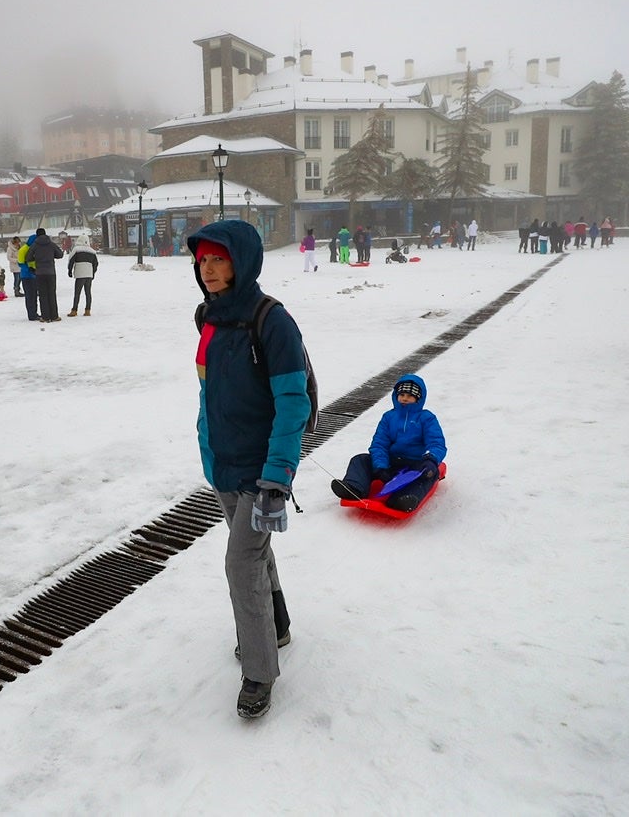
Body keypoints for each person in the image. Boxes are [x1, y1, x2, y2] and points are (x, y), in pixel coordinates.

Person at [189, 219, 310, 719]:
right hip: (222, 463)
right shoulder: (210, 318)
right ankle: (275, 625)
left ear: (242, 261)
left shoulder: (272, 321)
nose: (208, 268)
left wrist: (277, 476)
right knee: (255, 553)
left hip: (261, 470)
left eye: (219, 258)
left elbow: (293, 402)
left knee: (241, 563)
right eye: (203, 259)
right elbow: (211, 390)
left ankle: (260, 671)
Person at [331, 375, 446, 512]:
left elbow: (436, 443)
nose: (404, 398)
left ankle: (402, 499)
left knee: (430, 474)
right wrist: (381, 466)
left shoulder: (427, 418)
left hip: (415, 465)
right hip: (391, 462)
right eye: (402, 394)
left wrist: (430, 459)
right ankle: (354, 487)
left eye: (410, 396)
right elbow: (379, 444)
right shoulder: (389, 417)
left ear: (418, 398)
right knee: (361, 460)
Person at [30, 228, 64, 322]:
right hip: (51, 272)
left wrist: (36, 259)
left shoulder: (34, 245)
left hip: (39, 273)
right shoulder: (51, 244)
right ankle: (54, 316)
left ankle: (45, 316)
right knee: (52, 294)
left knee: (43, 295)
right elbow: (60, 255)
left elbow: (28, 257)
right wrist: (51, 255)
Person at [66, 236, 99, 316]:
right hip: (89, 275)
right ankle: (87, 310)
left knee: (77, 293)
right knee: (88, 293)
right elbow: (95, 264)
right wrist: (93, 273)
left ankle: (74, 310)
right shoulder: (92, 252)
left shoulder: (76, 250)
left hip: (80, 274)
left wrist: (70, 270)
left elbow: (71, 261)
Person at [17, 235, 40, 320]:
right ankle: (31, 315)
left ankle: (34, 313)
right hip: (26, 276)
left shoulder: (35, 249)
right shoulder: (23, 250)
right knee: (30, 296)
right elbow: (20, 263)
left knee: (34, 296)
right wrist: (29, 269)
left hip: (34, 275)